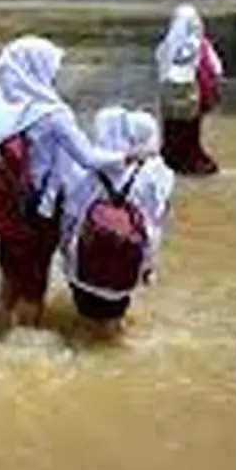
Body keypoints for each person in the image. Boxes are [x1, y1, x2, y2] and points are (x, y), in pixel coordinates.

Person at [0, 36, 155, 330]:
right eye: (52, 67)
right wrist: (130, 155)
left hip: (9, 208)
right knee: (33, 282)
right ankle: (26, 344)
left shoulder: (1, 110)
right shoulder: (54, 114)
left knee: (10, 267)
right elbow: (90, 158)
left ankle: (1, 324)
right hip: (37, 212)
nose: (56, 74)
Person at [58, 106, 176, 338]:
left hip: (81, 265)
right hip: (127, 266)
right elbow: (155, 222)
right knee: (113, 325)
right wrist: (148, 267)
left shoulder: (83, 166)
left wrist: (65, 255)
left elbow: (69, 218)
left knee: (84, 324)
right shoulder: (157, 174)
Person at [155, 3, 224, 175]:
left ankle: (171, 161)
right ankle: (191, 162)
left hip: (170, 99)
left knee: (172, 130)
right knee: (190, 132)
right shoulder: (202, 45)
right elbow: (217, 70)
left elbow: (159, 64)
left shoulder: (168, 44)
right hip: (193, 98)